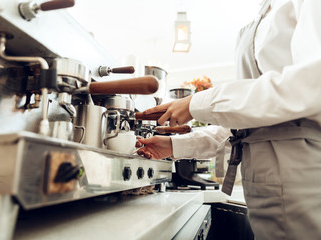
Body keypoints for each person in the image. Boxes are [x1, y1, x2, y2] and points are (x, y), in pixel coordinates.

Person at [136, 0, 321, 239]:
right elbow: (245, 124)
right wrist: (173, 145)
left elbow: (310, 86)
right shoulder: (265, 12)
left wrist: (196, 103)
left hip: (297, 173)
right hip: (268, 181)